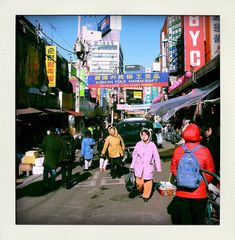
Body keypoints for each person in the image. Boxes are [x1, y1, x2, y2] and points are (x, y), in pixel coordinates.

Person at [168, 123, 215, 224]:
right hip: (199, 194)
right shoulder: (205, 150)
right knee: (198, 221)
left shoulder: (178, 150)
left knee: (185, 221)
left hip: (182, 193)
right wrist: (199, 182)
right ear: (199, 136)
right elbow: (210, 173)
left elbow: (173, 169)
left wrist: (183, 179)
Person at [130, 128, 162, 202]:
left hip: (148, 166)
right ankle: (140, 191)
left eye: (146, 134)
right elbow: (134, 155)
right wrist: (132, 165)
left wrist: (158, 167)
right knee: (139, 183)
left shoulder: (152, 145)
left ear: (149, 135)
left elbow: (156, 156)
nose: (144, 136)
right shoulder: (138, 144)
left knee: (148, 182)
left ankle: (146, 196)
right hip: (139, 167)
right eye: (142, 135)